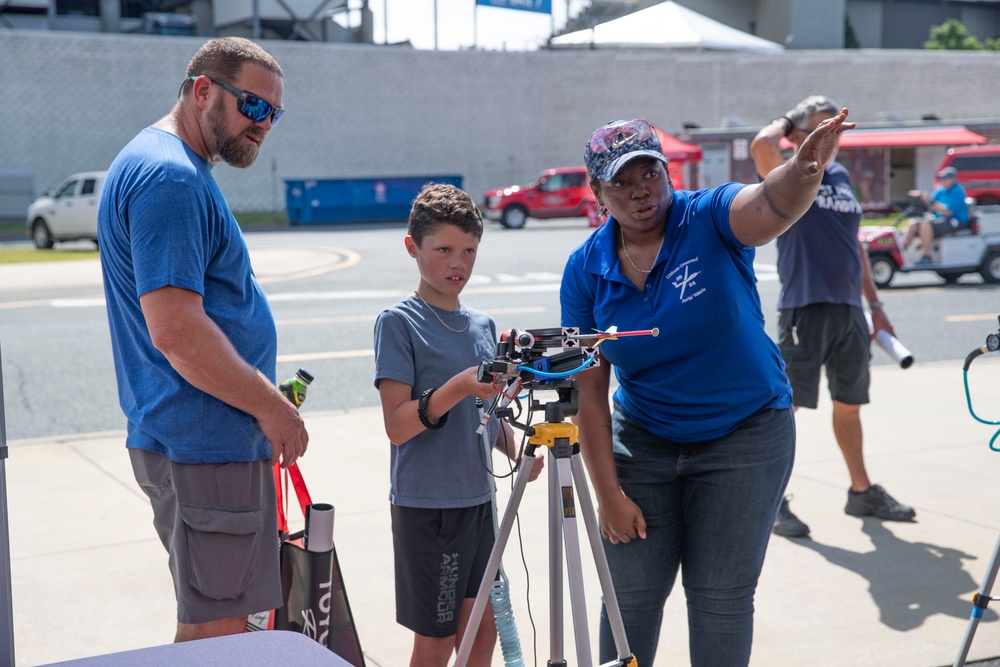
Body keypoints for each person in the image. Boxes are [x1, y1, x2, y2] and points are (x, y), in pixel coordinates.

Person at [560, 111, 850, 667]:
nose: (639, 191)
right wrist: (608, 496)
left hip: (746, 435)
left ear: (669, 173)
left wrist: (803, 171)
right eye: (621, 181)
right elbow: (590, 393)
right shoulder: (585, 270)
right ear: (598, 191)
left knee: (720, 599)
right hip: (644, 439)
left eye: (649, 173)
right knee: (629, 600)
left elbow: (769, 206)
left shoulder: (708, 216)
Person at [97, 37, 308, 643]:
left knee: (221, 629)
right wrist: (273, 409)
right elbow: (177, 332)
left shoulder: (163, 165)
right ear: (203, 90)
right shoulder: (170, 178)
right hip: (203, 446)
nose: (263, 124)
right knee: (218, 635)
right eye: (253, 106)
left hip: (196, 442)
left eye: (274, 113)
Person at [373, 183, 544, 667]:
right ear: (413, 248)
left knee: (481, 634)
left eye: (469, 250)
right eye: (444, 249)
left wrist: (515, 450)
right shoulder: (399, 323)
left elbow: (484, 415)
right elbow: (398, 425)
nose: (458, 263)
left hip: (477, 504)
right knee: (436, 643)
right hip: (429, 508)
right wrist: (460, 386)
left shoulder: (483, 325)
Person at [750, 95, 916, 539]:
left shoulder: (840, 177)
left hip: (850, 310)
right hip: (806, 306)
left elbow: (854, 244)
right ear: (799, 135)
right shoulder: (788, 172)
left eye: (837, 128)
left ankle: (861, 492)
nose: (832, 135)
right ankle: (770, 501)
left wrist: (876, 308)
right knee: (786, 406)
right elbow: (759, 145)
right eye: (823, 127)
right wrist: (791, 119)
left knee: (849, 404)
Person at [902, 165, 970, 264]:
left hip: (955, 221)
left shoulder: (957, 191)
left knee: (925, 224)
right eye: (941, 178)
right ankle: (902, 252)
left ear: (952, 179)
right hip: (940, 219)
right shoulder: (941, 190)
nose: (942, 180)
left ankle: (926, 256)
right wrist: (921, 196)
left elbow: (948, 212)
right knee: (913, 223)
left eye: (944, 178)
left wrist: (932, 202)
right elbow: (930, 202)